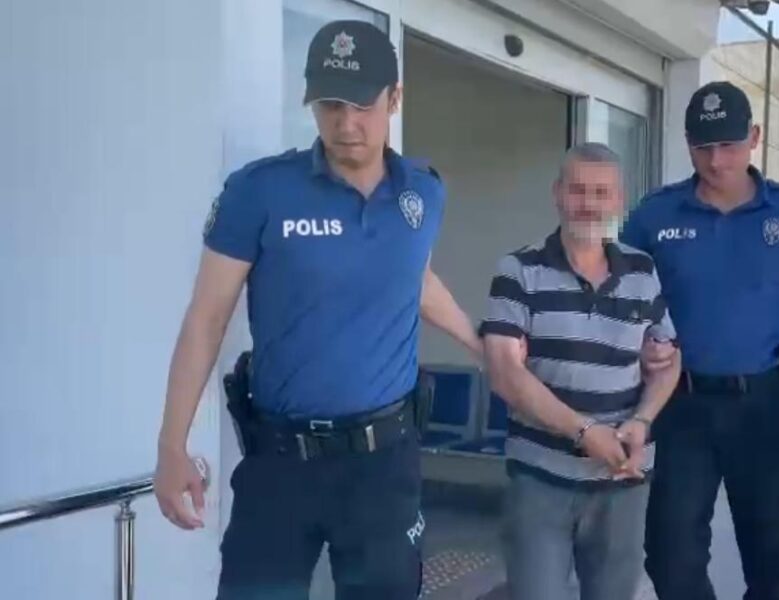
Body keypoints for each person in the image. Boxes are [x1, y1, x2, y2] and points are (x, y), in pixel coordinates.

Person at [152, 20, 482, 599]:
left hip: (384, 465)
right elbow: (206, 321)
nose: (345, 124)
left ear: (394, 99)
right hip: (281, 463)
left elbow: (413, 278)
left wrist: (481, 346)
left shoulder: (422, 193)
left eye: (362, 105)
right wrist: (170, 446)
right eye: (330, 104)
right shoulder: (259, 192)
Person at [620, 81, 779, 600]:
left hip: (766, 406)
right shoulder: (654, 216)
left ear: (754, 137)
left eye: (729, 145)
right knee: (670, 559)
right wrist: (639, 348)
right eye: (703, 147)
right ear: (687, 144)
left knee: (775, 567)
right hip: (680, 407)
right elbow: (622, 306)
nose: (716, 160)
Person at [480, 143, 682, 600]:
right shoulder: (518, 271)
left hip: (623, 480)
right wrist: (585, 431)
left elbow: (669, 361)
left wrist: (642, 419)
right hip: (540, 479)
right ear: (557, 193)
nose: (589, 204)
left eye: (601, 192)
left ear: (619, 200)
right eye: (577, 190)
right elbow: (504, 373)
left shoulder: (642, 271)